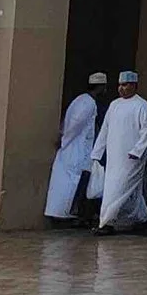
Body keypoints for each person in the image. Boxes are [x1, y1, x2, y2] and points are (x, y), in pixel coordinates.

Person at [89, 71, 147, 232]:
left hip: (132, 158)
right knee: (128, 190)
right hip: (114, 158)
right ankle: (145, 218)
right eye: (120, 85)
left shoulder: (143, 105)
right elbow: (105, 129)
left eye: (125, 85)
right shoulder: (114, 105)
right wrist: (97, 152)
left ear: (134, 86)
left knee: (117, 188)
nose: (121, 88)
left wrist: (137, 150)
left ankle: (106, 222)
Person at [46, 74, 108, 226]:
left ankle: (71, 215)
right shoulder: (87, 103)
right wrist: (65, 140)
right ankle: (67, 216)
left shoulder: (81, 100)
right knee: (72, 185)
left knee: (73, 184)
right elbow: (75, 125)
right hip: (76, 150)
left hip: (75, 149)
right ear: (100, 87)